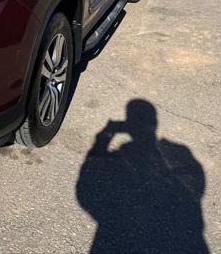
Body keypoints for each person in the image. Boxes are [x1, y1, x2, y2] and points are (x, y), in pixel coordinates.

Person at [77, 99, 209, 253]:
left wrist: (103, 138)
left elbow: (86, 189)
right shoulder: (178, 154)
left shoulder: (126, 159)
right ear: (154, 123)